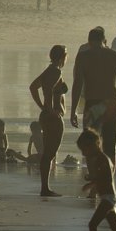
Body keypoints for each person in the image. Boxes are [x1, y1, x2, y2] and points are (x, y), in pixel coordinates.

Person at [71, 26, 116, 168]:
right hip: (111, 104)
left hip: (93, 104)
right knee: (110, 147)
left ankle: (95, 179)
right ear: (104, 41)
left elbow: (77, 85)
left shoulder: (83, 56)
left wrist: (73, 111)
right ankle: (109, 181)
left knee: (90, 146)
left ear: (89, 42)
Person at [29, 44, 68, 196]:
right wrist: (50, 109)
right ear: (61, 57)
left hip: (47, 116)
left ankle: (45, 187)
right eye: (65, 55)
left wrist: (43, 107)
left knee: (48, 153)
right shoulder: (56, 71)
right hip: (52, 118)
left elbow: (33, 87)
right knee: (50, 153)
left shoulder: (49, 70)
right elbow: (50, 90)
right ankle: (45, 189)